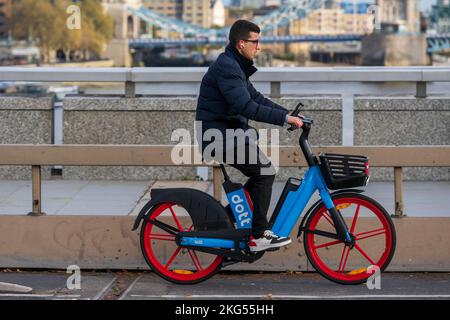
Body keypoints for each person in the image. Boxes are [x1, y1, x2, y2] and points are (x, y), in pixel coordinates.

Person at [195, 20, 303, 252]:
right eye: (255, 42)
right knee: (265, 172)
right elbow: (246, 106)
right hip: (217, 137)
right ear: (241, 43)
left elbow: (257, 99)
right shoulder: (228, 68)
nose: (259, 47)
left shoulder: (234, 66)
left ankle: (228, 219)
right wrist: (284, 120)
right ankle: (258, 235)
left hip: (227, 134)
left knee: (262, 172)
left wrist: (288, 114)